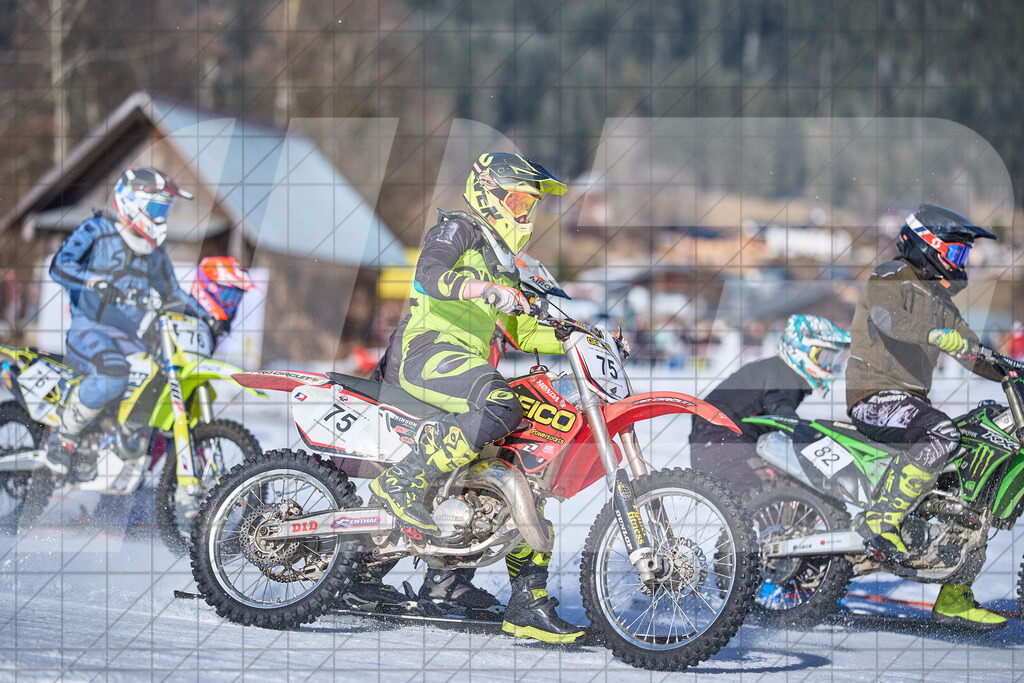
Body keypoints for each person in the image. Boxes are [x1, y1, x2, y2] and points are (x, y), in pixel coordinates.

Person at [359, 152, 586, 643]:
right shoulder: (459, 228)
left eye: (531, 204)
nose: (526, 212)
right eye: (519, 199)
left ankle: (505, 598)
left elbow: (522, 330)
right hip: (425, 353)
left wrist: (581, 335)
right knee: (502, 406)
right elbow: (428, 273)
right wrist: (478, 286)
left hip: (464, 364)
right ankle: (401, 483)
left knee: (517, 466)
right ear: (490, 193)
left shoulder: (506, 261)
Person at [846, 203, 1005, 631]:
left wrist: (1006, 367)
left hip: (910, 407)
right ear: (927, 245)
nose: (960, 264)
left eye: (963, 257)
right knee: (942, 431)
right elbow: (886, 317)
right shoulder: (889, 276)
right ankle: (881, 519)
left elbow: (974, 351)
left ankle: (955, 594)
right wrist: (933, 334)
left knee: (974, 480)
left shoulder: (941, 300)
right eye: (956, 254)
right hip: (875, 397)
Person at [47, 167, 201, 470]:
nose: (160, 216)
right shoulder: (97, 229)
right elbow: (59, 266)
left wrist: (205, 316)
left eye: (164, 210)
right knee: (113, 372)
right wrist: (94, 281)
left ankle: (122, 438)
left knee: (158, 377)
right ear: (131, 201)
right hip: (89, 329)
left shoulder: (155, 250)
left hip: (128, 338)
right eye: (156, 207)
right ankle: (62, 436)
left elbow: (173, 292)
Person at [688, 314, 851, 492]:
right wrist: (814, 439)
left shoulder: (784, 372)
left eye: (831, 359)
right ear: (801, 349)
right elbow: (783, 415)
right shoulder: (782, 372)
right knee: (762, 494)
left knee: (788, 491)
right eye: (824, 357)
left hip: (727, 435)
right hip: (718, 436)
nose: (828, 366)